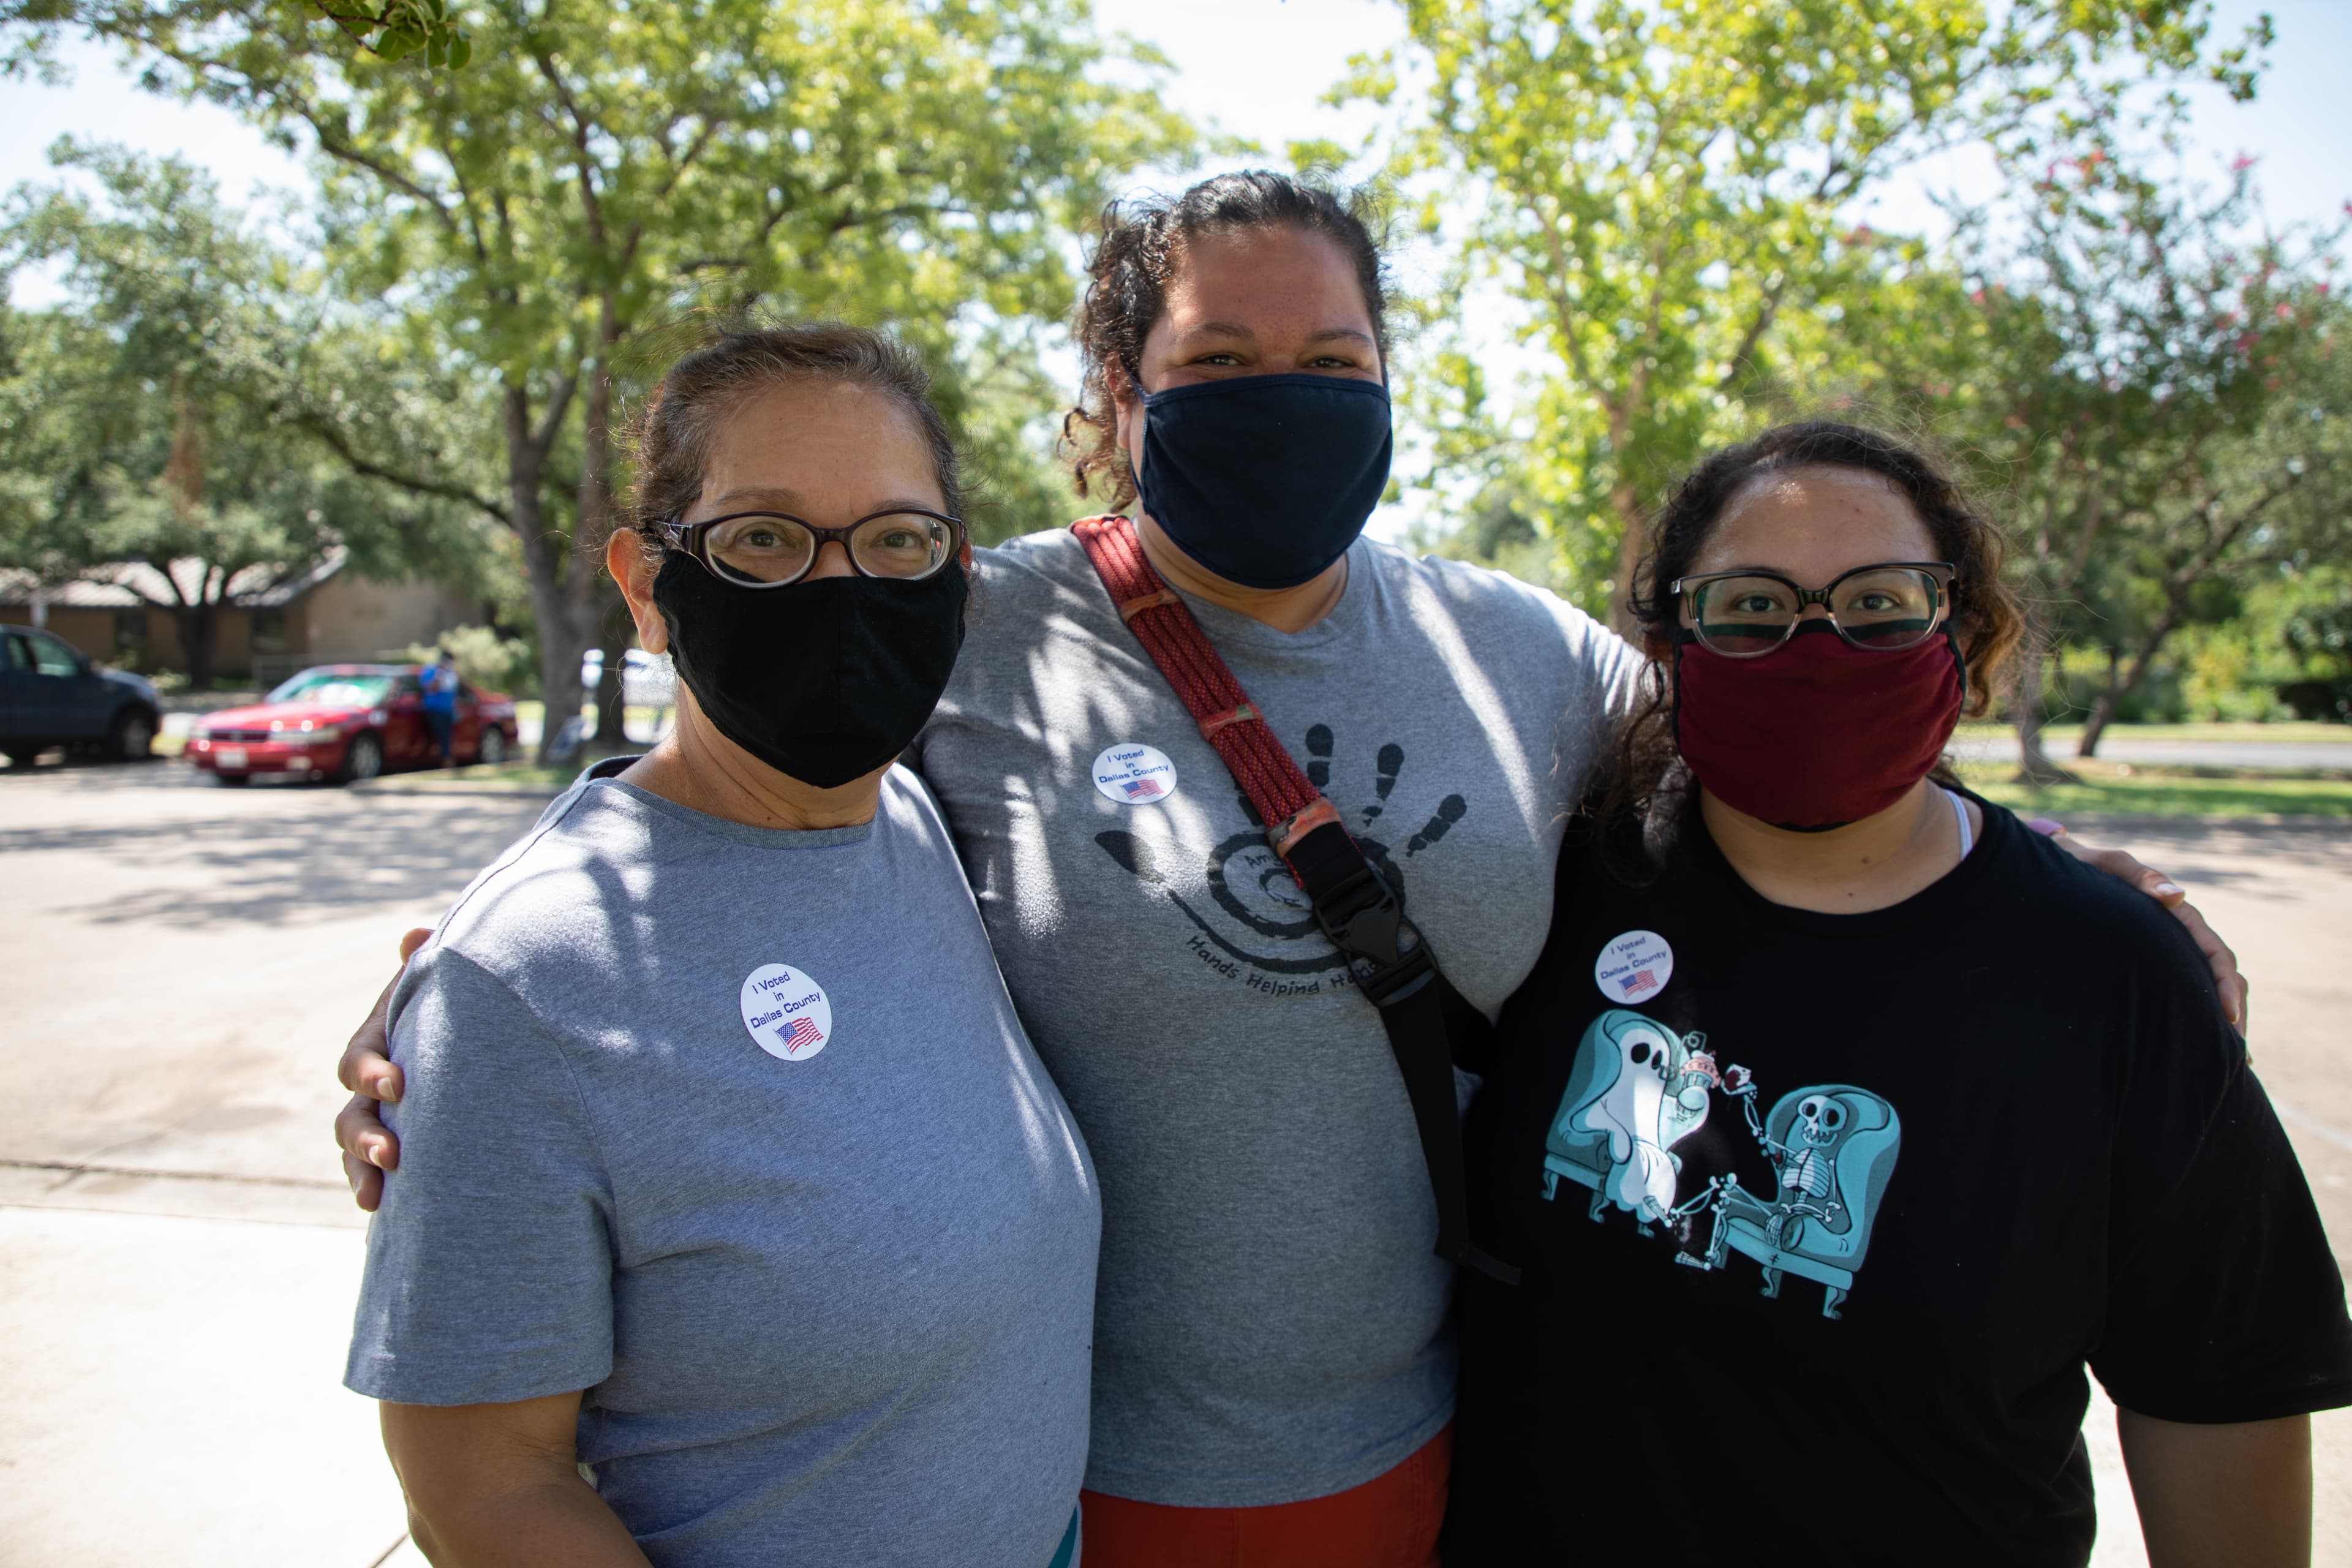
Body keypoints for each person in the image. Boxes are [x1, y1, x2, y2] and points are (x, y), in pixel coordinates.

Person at [336, 175, 2247, 1567]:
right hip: (1055, 1466)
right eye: (1220, 356)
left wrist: (2065, 889)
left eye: (1331, 354)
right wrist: (470, 990)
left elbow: (1786, 752)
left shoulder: (1527, 657)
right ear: (1118, 389)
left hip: (1446, 1436)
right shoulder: (961, 621)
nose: (1285, 390)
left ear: (1394, 375)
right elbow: (736, 790)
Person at [1444, 421, 2352, 1566]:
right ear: (1673, 652)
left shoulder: (2114, 973)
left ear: (1964, 640)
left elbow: (2224, 1387)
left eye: (1880, 603)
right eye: (1753, 609)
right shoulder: (1543, 894)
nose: (1818, 645)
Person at [344, 323, 1099, 1568]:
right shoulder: (522, 980)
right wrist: (460, 993)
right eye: (763, 537)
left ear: (955, 575)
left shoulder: (906, 815)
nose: (840, 588)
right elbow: (480, 1486)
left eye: (897, 539)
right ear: (647, 585)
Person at [418, 647, 459, 766]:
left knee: (447, 736)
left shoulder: (451, 673)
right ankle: (446, 761)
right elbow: (430, 688)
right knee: (441, 736)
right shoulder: (431, 671)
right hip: (435, 709)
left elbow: (454, 691)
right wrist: (439, 674)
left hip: (448, 710)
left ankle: (446, 759)